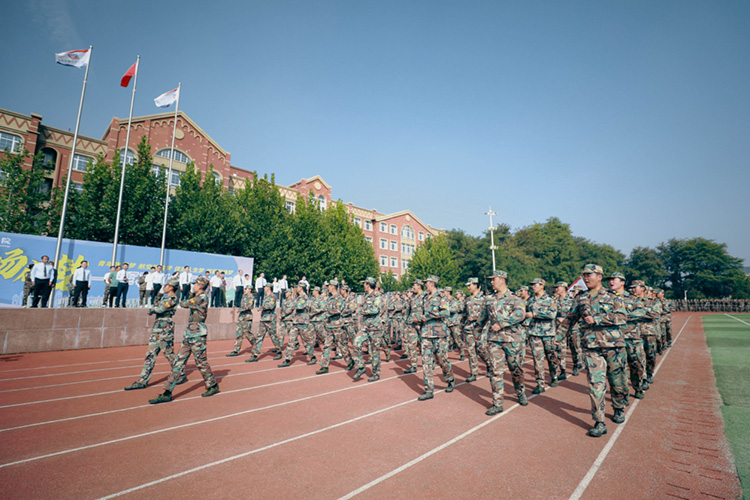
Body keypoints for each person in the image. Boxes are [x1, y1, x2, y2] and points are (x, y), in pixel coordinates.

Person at [558, 264, 628, 437]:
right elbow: (570, 319)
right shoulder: (580, 297)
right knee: (596, 384)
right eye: (584, 275)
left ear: (599, 276)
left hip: (613, 346)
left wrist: (596, 319)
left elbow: (621, 316)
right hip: (591, 347)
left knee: (617, 382)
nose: (586, 278)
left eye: (589, 275)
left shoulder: (612, 296)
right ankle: (599, 421)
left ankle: (618, 407)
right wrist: (558, 337)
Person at [149, 276, 219, 404]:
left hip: (198, 334)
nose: (193, 286)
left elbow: (183, 304)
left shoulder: (201, 298)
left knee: (201, 362)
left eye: (195, 284)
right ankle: (167, 392)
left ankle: (212, 385)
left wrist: (190, 295)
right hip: (189, 333)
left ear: (201, 286)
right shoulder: (197, 297)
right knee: (178, 363)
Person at [124, 278, 186, 390]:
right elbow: (156, 303)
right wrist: (159, 294)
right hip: (157, 327)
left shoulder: (172, 298)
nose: (164, 287)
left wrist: (152, 310)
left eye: (166, 286)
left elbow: (160, 309)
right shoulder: (164, 297)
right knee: (150, 354)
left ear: (171, 287)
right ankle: (142, 381)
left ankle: (180, 373)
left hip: (165, 328)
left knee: (168, 353)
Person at [484, 270, 529, 415]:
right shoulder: (489, 299)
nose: (492, 282)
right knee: (495, 371)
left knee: (515, 369)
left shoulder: (515, 298)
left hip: (512, 340)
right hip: (494, 340)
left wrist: (502, 323)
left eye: (494, 279)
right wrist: (477, 332)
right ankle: (497, 402)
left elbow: (520, 314)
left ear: (502, 280)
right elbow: (483, 317)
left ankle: (520, 391)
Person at [609, 272, 648, 400]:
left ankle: (638, 387)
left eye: (614, 279)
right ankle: (621, 395)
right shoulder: (607, 298)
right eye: (610, 280)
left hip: (632, 338)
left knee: (636, 365)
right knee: (618, 369)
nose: (611, 282)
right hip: (614, 339)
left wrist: (622, 317)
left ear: (622, 282)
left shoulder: (632, 298)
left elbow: (641, 311)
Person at [416, 275, 455, 400]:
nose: (425, 285)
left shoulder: (441, 296)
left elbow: (446, 312)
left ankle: (450, 378)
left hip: (439, 333)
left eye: (426, 283)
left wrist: (430, 316)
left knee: (442, 360)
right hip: (426, 333)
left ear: (432, 283)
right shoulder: (425, 297)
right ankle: (429, 389)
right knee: (426, 361)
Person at [526, 278, 559, 394]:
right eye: (532, 285)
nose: (533, 287)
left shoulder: (550, 300)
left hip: (547, 334)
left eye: (535, 285)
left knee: (551, 357)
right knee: (537, 359)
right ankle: (540, 383)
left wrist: (535, 314)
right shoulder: (530, 300)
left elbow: (552, 314)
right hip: (534, 333)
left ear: (542, 286)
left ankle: (554, 375)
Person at [351, 277, 385, 382]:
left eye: (364, 284)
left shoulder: (377, 296)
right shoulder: (365, 296)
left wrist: (361, 310)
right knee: (356, 343)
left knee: (374, 351)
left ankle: (376, 373)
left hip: (375, 328)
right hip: (365, 327)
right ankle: (361, 367)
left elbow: (375, 309)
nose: (363, 285)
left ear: (368, 285)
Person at [317, 279, 353, 374]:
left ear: (333, 287)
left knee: (341, 345)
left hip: (337, 326)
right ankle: (324, 366)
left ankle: (350, 361)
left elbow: (337, 310)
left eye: (329, 286)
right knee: (326, 346)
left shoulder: (339, 298)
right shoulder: (329, 298)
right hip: (329, 326)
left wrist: (326, 314)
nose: (328, 288)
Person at [278, 282, 316, 367]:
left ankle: (312, 357)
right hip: (296, 322)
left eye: (298, 287)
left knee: (306, 342)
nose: (296, 288)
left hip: (303, 322)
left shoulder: (304, 297)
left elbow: (299, 306)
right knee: (291, 341)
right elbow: (292, 307)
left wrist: (293, 304)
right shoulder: (298, 297)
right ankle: (287, 359)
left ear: (301, 288)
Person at [247, 284, 282, 362]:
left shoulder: (272, 297)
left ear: (269, 288)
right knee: (259, 337)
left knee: (273, 336)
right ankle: (255, 355)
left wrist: (261, 307)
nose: (264, 288)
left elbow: (270, 306)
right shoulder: (265, 297)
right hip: (263, 319)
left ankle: (279, 351)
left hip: (270, 320)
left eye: (265, 287)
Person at [462, 277, 488, 382]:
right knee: (471, 351)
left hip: (481, 328)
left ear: (477, 285)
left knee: (481, 349)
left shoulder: (484, 299)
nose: (468, 287)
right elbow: (464, 313)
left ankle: (489, 364)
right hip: (469, 328)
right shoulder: (467, 299)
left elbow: (488, 314)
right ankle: (473, 373)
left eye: (470, 285)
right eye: (468, 285)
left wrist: (475, 317)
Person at [227, 287, 254, 357]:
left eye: (246, 289)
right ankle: (236, 350)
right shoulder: (244, 296)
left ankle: (256, 345)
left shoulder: (251, 297)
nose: (245, 290)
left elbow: (249, 306)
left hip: (247, 317)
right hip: (241, 316)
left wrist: (241, 309)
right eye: (245, 289)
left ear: (250, 290)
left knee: (247, 333)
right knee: (238, 333)